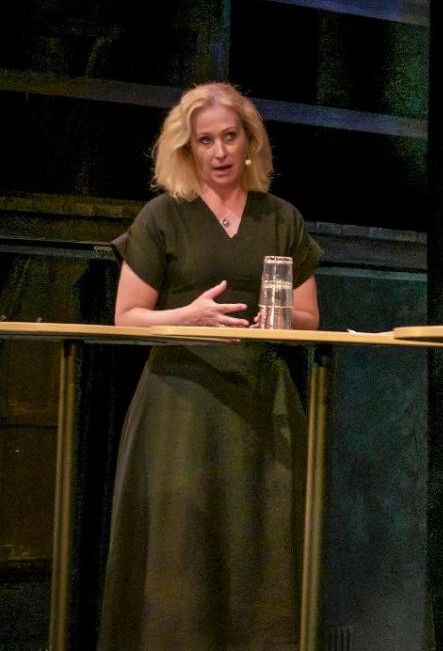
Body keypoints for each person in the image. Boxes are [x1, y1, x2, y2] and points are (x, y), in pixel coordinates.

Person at [100, 82, 322, 649]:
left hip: (261, 406)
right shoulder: (163, 216)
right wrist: (188, 316)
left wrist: (280, 323)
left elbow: (308, 317)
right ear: (187, 149)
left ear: (251, 144)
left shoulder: (281, 219)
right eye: (205, 141)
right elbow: (127, 316)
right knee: (181, 557)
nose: (219, 152)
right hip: (181, 408)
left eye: (230, 137)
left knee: (259, 553)